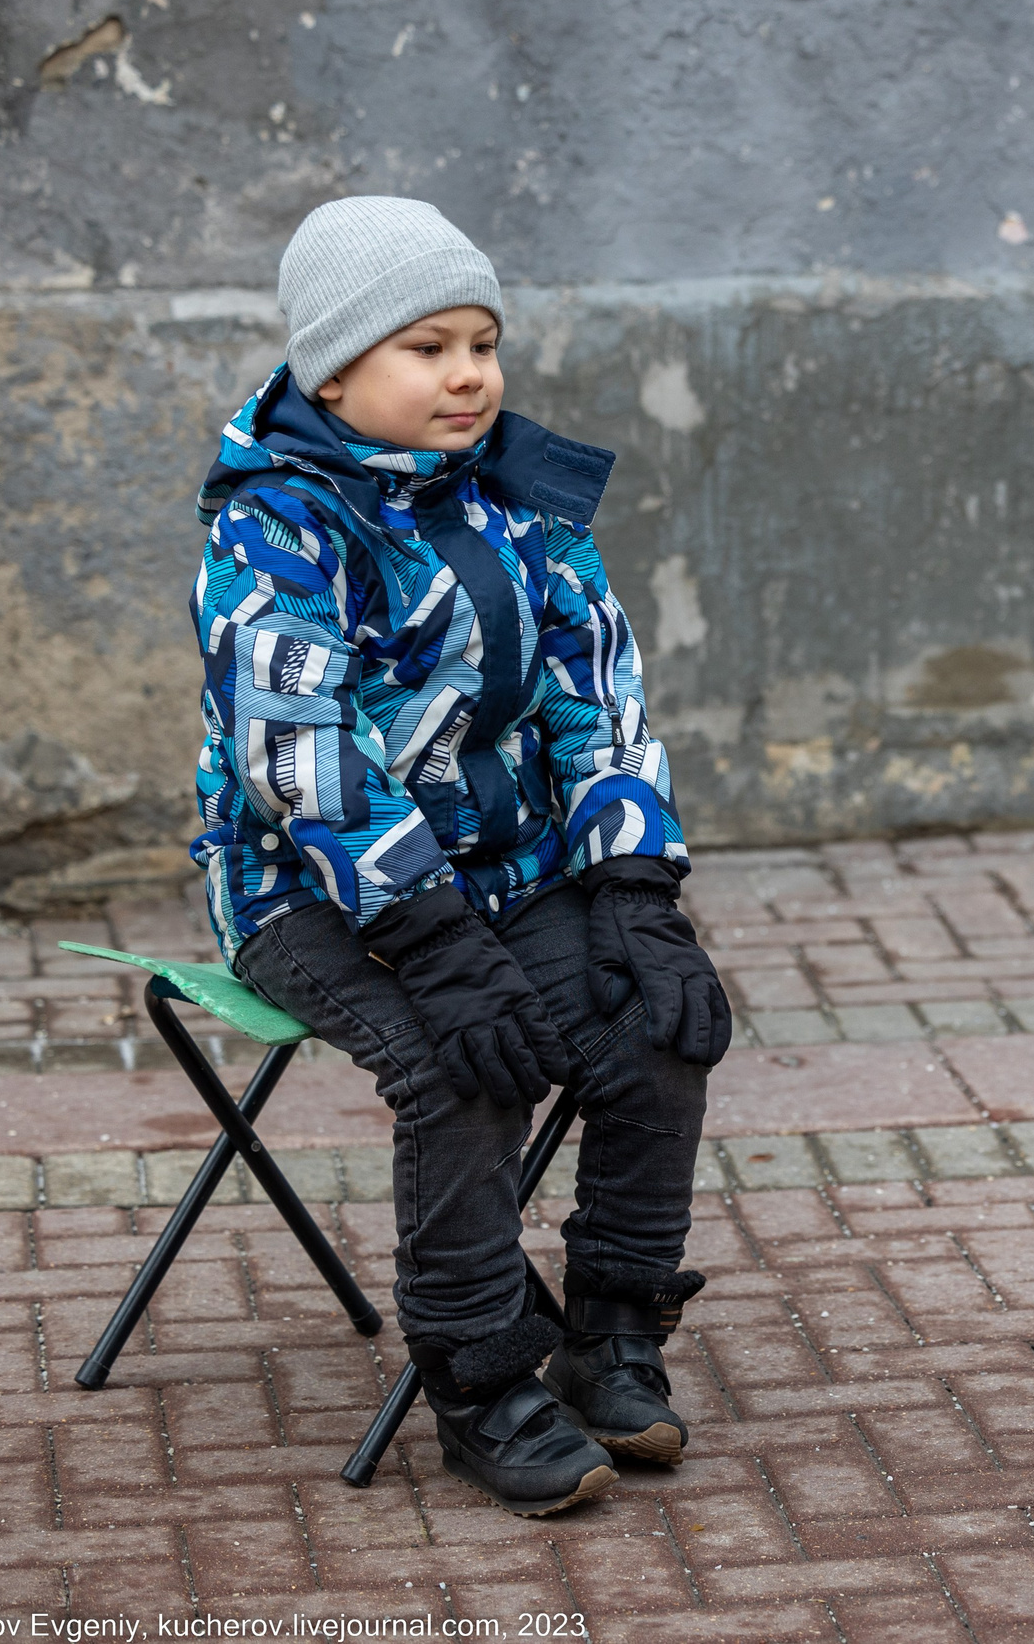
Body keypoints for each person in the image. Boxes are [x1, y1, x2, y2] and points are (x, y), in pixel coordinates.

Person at [192, 197, 730, 1517]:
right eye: (426, 346)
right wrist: (431, 940)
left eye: (482, 342)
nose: (469, 375)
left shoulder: (521, 506)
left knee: (651, 1027)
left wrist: (634, 890)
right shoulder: (274, 528)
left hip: (506, 867)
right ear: (334, 372)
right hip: (313, 888)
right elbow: (296, 754)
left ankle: (611, 1329)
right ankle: (482, 1380)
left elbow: (597, 703)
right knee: (463, 1068)